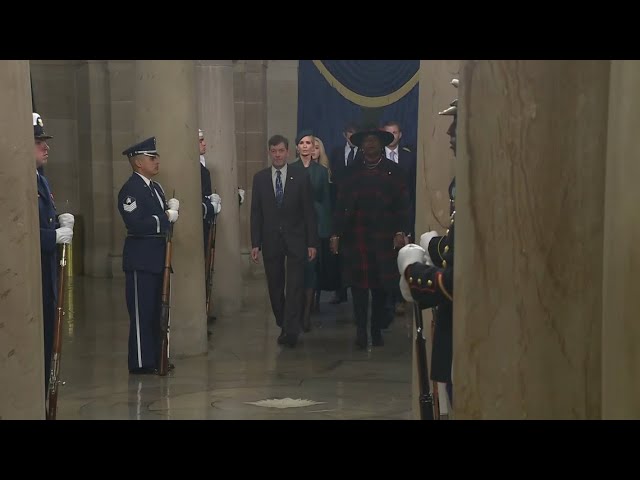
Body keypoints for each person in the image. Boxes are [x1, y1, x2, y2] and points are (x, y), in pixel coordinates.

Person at [397, 78, 458, 403]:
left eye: (456, 126)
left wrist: (413, 270)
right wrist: (435, 246)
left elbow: (454, 281)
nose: (449, 135)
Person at [330, 129, 410, 349]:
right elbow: (340, 205)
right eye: (366, 141)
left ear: (382, 144)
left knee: (380, 287)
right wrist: (335, 233)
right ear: (362, 145)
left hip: (384, 236)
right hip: (356, 236)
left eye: (374, 141)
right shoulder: (350, 172)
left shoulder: (394, 172)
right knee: (358, 287)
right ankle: (360, 332)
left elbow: (403, 205)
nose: (370, 144)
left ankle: (376, 330)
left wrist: (401, 231)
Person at [117, 136, 180, 374]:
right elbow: (135, 224)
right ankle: (142, 362)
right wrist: (165, 217)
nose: (157, 161)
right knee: (142, 312)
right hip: (140, 260)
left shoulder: (155, 188)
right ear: (138, 163)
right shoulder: (130, 190)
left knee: (157, 312)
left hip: (157, 258)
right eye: (152, 158)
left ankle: (156, 358)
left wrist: (168, 212)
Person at [250, 134, 318, 347]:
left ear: (288, 152)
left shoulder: (300, 176)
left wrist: (312, 242)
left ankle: (291, 330)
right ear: (269, 152)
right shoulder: (260, 178)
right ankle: (283, 321)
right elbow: (256, 212)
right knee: (275, 285)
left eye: (281, 151)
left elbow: (309, 211)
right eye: (273, 151)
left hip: (296, 238)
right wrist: (255, 243)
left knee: (296, 284)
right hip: (271, 239)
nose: (277, 155)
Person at [34, 112, 74, 392]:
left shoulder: (41, 179)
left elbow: (45, 214)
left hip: (46, 272)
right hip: (32, 273)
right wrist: (52, 237)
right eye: (38, 142)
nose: (46, 147)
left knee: (49, 334)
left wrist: (59, 219)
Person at [290, 130, 331, 330]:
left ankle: (306, 315)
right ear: (297, 146)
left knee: (311, 271)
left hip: (314, 227)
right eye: (302, 143)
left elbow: (326, 202)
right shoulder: (290, 169)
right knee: (296, 272)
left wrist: (326, 231)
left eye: (309, 143)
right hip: (295, 227)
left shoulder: (321, 172)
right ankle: (295, 313)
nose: (306, 146)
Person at [198, 129, 221, 256]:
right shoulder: (197, 169)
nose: (205, 143)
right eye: (200, 141)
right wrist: (210, 207)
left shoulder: (203, 169)